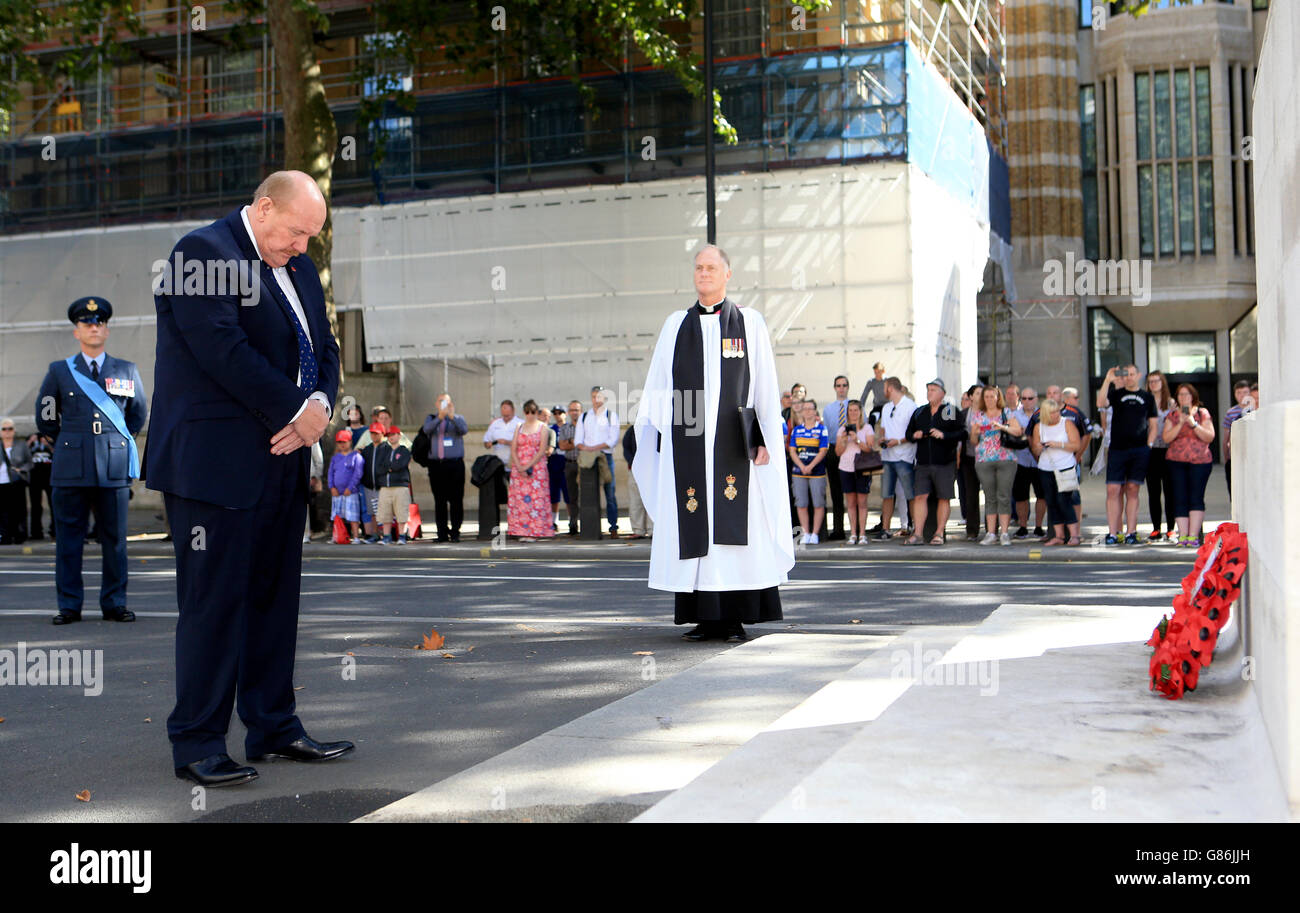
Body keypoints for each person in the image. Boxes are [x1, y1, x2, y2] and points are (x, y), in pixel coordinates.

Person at [145, 171, 352, 788]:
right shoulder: (201, 254)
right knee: (214, 606)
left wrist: (316, 409)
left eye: (312, 238)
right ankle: (198, 742)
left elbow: (327, 351)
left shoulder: (302, 270)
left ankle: (274, 726)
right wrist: (300, 411)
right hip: (214, 465)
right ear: (264, 208)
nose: (302, 248)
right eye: (296, 233)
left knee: (272, 600)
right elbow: (223, 351)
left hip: (283, 459)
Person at [632, 244, 793, 643]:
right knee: (695, 523)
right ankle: (705, 617)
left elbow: (764, 387)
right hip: (688, 442)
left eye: (711, 268)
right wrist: (651, 431)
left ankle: (735, 617)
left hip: (733, 446)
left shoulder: (749, 323)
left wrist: (766, 437)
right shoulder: (675, 325)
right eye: (698, 268)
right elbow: (658, 383)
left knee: (736, 528)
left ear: (727, 274)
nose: (704, 274)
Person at [38, 297, 147, 623]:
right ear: (77, 331)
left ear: (107, 329)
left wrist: (115, 442)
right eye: (87, 323)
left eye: (99, 322)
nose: (94, 327)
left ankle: (114, 603)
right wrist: (71, 444)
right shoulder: (59, 371)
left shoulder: (126, 369)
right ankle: (69, 606)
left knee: (114, 542)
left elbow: (137, 413)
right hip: (70, 469)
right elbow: (45, 416)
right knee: (69, 543)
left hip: (112, 469)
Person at [1097, 364, 1158, 545]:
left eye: (1133, 374)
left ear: (1138, 375)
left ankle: (1131, 531)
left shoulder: (1147, 397)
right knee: (1113, 489)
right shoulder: (1117, 394)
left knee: (1132, 490)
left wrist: (1149, 445)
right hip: (1117, 449)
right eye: (1127, 374)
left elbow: (1153, 424)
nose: (1130, 377)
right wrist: (1108, 379)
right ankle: (1113, 532)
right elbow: (1101, 403)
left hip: (1139, 450)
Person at [903, 378, 964, 546]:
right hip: (923, 462)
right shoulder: (920, 412)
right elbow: (908, 433)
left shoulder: (949, 410)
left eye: (934, 389)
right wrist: (913, 435)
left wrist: (943, 435)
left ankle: (939, 533)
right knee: (920, 496)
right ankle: (918, 534)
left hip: (944, 462)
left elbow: (962, 433)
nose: (930, 392)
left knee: (944, 497)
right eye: (928, 389)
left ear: (942, 393)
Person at [1163, 383, 1216, 547]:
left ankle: (1193, 536)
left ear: (1193, 396)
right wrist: (1180, 423)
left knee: (1196, 497)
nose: (1183, 397)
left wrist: (1193, 423)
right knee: (1179, 497)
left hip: (1200, 462)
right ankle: (1183, 535)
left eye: (1186, 394)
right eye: (1180, 395)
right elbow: (1166, 438)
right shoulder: (1172, 415)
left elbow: (1209, 436)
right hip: (1176, 462)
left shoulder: (1202, 413)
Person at [969, 385, 1020, 545]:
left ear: (998, 398)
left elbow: (1018, 431)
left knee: (1004, 496)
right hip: (984, 459)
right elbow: (973, 441)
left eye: (992, 396)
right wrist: (975, 433)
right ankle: (991, 533)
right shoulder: (978, 415)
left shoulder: (1007, 413)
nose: (990, 399)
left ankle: (1004, 533)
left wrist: (1002, 427)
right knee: (990, 497)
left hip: (1005, 458)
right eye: (987, 397)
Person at [1031, 399, 1082, 546]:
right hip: (1046, 468)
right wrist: (1040, 448)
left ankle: (1074, 535)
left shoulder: (1066, 423)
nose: (1056, 415)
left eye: (1057, 411)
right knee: (1051, 501)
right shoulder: (1038, 427)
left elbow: (1076, 445)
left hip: (1065, 466)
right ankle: (1058, 536)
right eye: (1052, 412)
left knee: (1064, 500)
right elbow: (1034, 448)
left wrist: (1058, 444)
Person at [575, 385, 621, 537]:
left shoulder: (611, 415)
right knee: (587, 492)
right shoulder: (584, 416)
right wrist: (588, 450)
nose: (596, 400)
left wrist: (594, 448)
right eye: (594, 396)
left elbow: (612, 440)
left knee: (610, 493)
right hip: (588, 458)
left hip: (604, 457)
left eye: (599, 396)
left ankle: (613, 526)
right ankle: (589, 527)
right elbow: (578, 440)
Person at [422, 394, 468, 542]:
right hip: (437, 466)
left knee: (456, 500)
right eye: (441, 402)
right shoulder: (431, 419)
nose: (443, 405)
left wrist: (452, 416)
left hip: (454, 464)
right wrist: (440, 418)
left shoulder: (458, 418)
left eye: (446, 402)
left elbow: (464, 430)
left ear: (451, 404)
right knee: (439, 501)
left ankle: (455, 532)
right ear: (436, 404)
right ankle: (441, 533)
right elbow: (426, 430)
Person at [875, 377, 916, 539]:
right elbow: (884, 428)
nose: (883, 391)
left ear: (890, 388)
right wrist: (882, 438)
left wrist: (898, 441)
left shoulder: (910, 406)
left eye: (884, 388)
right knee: (887, 494)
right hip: (888, 457)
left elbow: (914, 433)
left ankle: (915, 528)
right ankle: (885, 529)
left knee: (910, 494)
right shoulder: (886, 407)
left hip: (904, 456)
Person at [507, 401, 554, 541]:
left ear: (537, 413)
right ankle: (521, 530)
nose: (530, 415)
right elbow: (513, 447)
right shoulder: (519, 426)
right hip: (519, 468)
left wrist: (527, 466)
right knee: (520, 501)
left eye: (533, 412)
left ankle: (536, 531)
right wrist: (518, 465)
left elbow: (541, 451)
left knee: (536, 500)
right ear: (524, 413)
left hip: (536, 468)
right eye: (527, 412)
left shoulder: (543, 427)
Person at [788, 399, 830, 545]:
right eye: (804, 409)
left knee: (818, 503)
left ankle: (815, 534)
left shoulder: (821, 429)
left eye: (810, 408)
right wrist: (802, 465)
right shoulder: (797, 430)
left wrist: (810, 466)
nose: (807, 411)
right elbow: (792, 450)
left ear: (815, 411)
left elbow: (823, 450)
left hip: (817, 471)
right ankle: (805, 532)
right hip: (799, 472)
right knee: (801, 504)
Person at [833, 399, 874, 544]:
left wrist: (856, 440)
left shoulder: (867, 428)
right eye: (850, 410)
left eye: (856, 410)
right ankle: (853, 534)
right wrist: (844, 440)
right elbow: (838, 452)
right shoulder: (842, 429)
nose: (853, 413)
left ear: (860, 412)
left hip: (862, 469)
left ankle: (862, 534)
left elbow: (869, 449)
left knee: (862, 502)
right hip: (846, 468)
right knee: (850, 503)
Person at [1144, 370, 1176, 542]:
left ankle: (1171, 529)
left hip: (1168, 449)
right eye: (1150, 381)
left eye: (1157, 381)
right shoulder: (1146, 402)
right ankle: (1156, 528)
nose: (1154, 384)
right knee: (1153, 491)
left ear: (1162, 383)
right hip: (1150, 450)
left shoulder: (1171, 403)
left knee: (1169, 491)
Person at [1010, 386, 1046, 539]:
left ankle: (1038, 527)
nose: (1027, 401)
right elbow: (1012, 431)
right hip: (1021, 461)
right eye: (1023, 398)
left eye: (1030, 398)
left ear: (1036, 399)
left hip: (1040, 461)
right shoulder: (1014, 415)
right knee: (1021, 497)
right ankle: (1023, 526)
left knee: (1042, 495)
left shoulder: (1043, 415)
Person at [819, 376, 853, 541]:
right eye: (838, 385)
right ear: (834, 388)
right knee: (836, 491)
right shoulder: (828, 409)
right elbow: (825, 433)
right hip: (833, 450)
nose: (841, 388)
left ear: (848, 387)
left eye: (844, 385)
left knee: (853, 491)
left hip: (851, 449)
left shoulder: (854, 407)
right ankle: (838, 529)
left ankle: (856, 530)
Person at [374, 426, 412, 544]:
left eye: (393, 435)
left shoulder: (404, 451)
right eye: (389, 436)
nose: (391, 437)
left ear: (399, 436)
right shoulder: (384, 450)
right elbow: (379, 468)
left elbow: (400, 465)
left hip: (400, 485)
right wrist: (390, 467)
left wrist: (390, 467)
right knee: (385, 513)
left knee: (401, 511)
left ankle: (401, 536)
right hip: (386, 486)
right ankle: (386, 536)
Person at [483, 400, 523, 510]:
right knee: (499, 493)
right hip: (498, 465)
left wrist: (507, 442)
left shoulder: (520, 423)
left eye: (508, 415)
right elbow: (486, 442)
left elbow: (523, 443)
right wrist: (489, 443)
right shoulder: (495, 424)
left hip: (514, 464)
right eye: (503, 415)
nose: (505, 417)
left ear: (513, 411)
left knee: (517, 493)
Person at [956, 384, 983, 541]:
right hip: (968, 457)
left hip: (986, 456)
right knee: (970, 494)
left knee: (991, 493)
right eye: (978, 393)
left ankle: (993, 528)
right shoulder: (963, 414)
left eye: (982, 393)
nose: (980, 396)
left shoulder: (988, 413)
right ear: (971, 396)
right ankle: (972, 530)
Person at [0, 419, 33, 544]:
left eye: (10, 429)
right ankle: (5, 536)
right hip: (1, 483)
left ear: (14, 431)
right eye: (4, 429)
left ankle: (19, 534)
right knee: (3, 511)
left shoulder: (21, 445)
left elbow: (30, 463)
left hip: (16, 481)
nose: (7, 432)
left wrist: (21, 469)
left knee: (18, 510)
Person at [328, 429, 364, 543]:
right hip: (337, 492)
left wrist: (350, 487)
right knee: (337, 516)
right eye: (339, 442)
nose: (342, 444)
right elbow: (330, 473)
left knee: (353, 516)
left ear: (350, 442)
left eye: (345, 442)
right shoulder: (335, 458)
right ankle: (336, 536)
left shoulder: (356, 456)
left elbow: (358, 474)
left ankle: (356, 537)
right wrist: (331, 487)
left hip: (350, 492)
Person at [1222, 379, 1253, 500]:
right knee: (1234, 490)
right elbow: (1226, 437)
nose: (1242, 395)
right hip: (1234, 455)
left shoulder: (1255, 410)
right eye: (1239, 392)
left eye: (1245, 392)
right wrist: (1226, 457)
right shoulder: (1231, 412)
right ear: (1235, 394)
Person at [622, 422, 653, 539]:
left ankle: (653, 529)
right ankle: (638, 530)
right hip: (634, 470)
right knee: (635, 501)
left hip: (652, 470)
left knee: (652, 499)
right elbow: (626, 448)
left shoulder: (655, 429)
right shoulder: (631, 430)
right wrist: (634, 463)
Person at [357, 421, 385, 542]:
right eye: (372, 433)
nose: (374, 436)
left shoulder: (386, 448)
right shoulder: (366, 449)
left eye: (377, 433)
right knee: (372, 512)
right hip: (369, 486)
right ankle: (375, 535)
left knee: (384, 512)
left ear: (382, 434)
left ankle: (386, 535)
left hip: (382, 486)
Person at [557, 400, 582, 536]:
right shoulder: (565, 428)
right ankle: (573, 525)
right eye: (572, 410)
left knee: (585, 496)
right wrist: (576, 442)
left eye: (576, 410)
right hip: (569, 463)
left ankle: (587, 524)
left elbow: (584, 443)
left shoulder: (585, 426)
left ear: (581, 411)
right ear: (568, 412)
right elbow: (562, 446)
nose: (574, 413)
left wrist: (571, 442)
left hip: (583, 464)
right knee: (572, 496)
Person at [26, 432, 54, 540]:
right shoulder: (31, 439)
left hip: (50, 477)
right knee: (35, 506)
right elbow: (24, 454)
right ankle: (36, 532)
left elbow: (58, 453)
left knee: (53, 505)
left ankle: (54, 531)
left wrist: (48, 444)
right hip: (35, 478)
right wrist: (30, 442)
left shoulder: (52, 439)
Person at [548, 406, 572, 533]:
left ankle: (571, 521)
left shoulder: (569, 428)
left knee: (568, 494)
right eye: (555, 413)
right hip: (553, 463)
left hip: (566, 462)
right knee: (554, 495)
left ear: (565, 414)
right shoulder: (551, 429)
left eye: (560, 413)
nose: (557, 415)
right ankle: (554, 521)